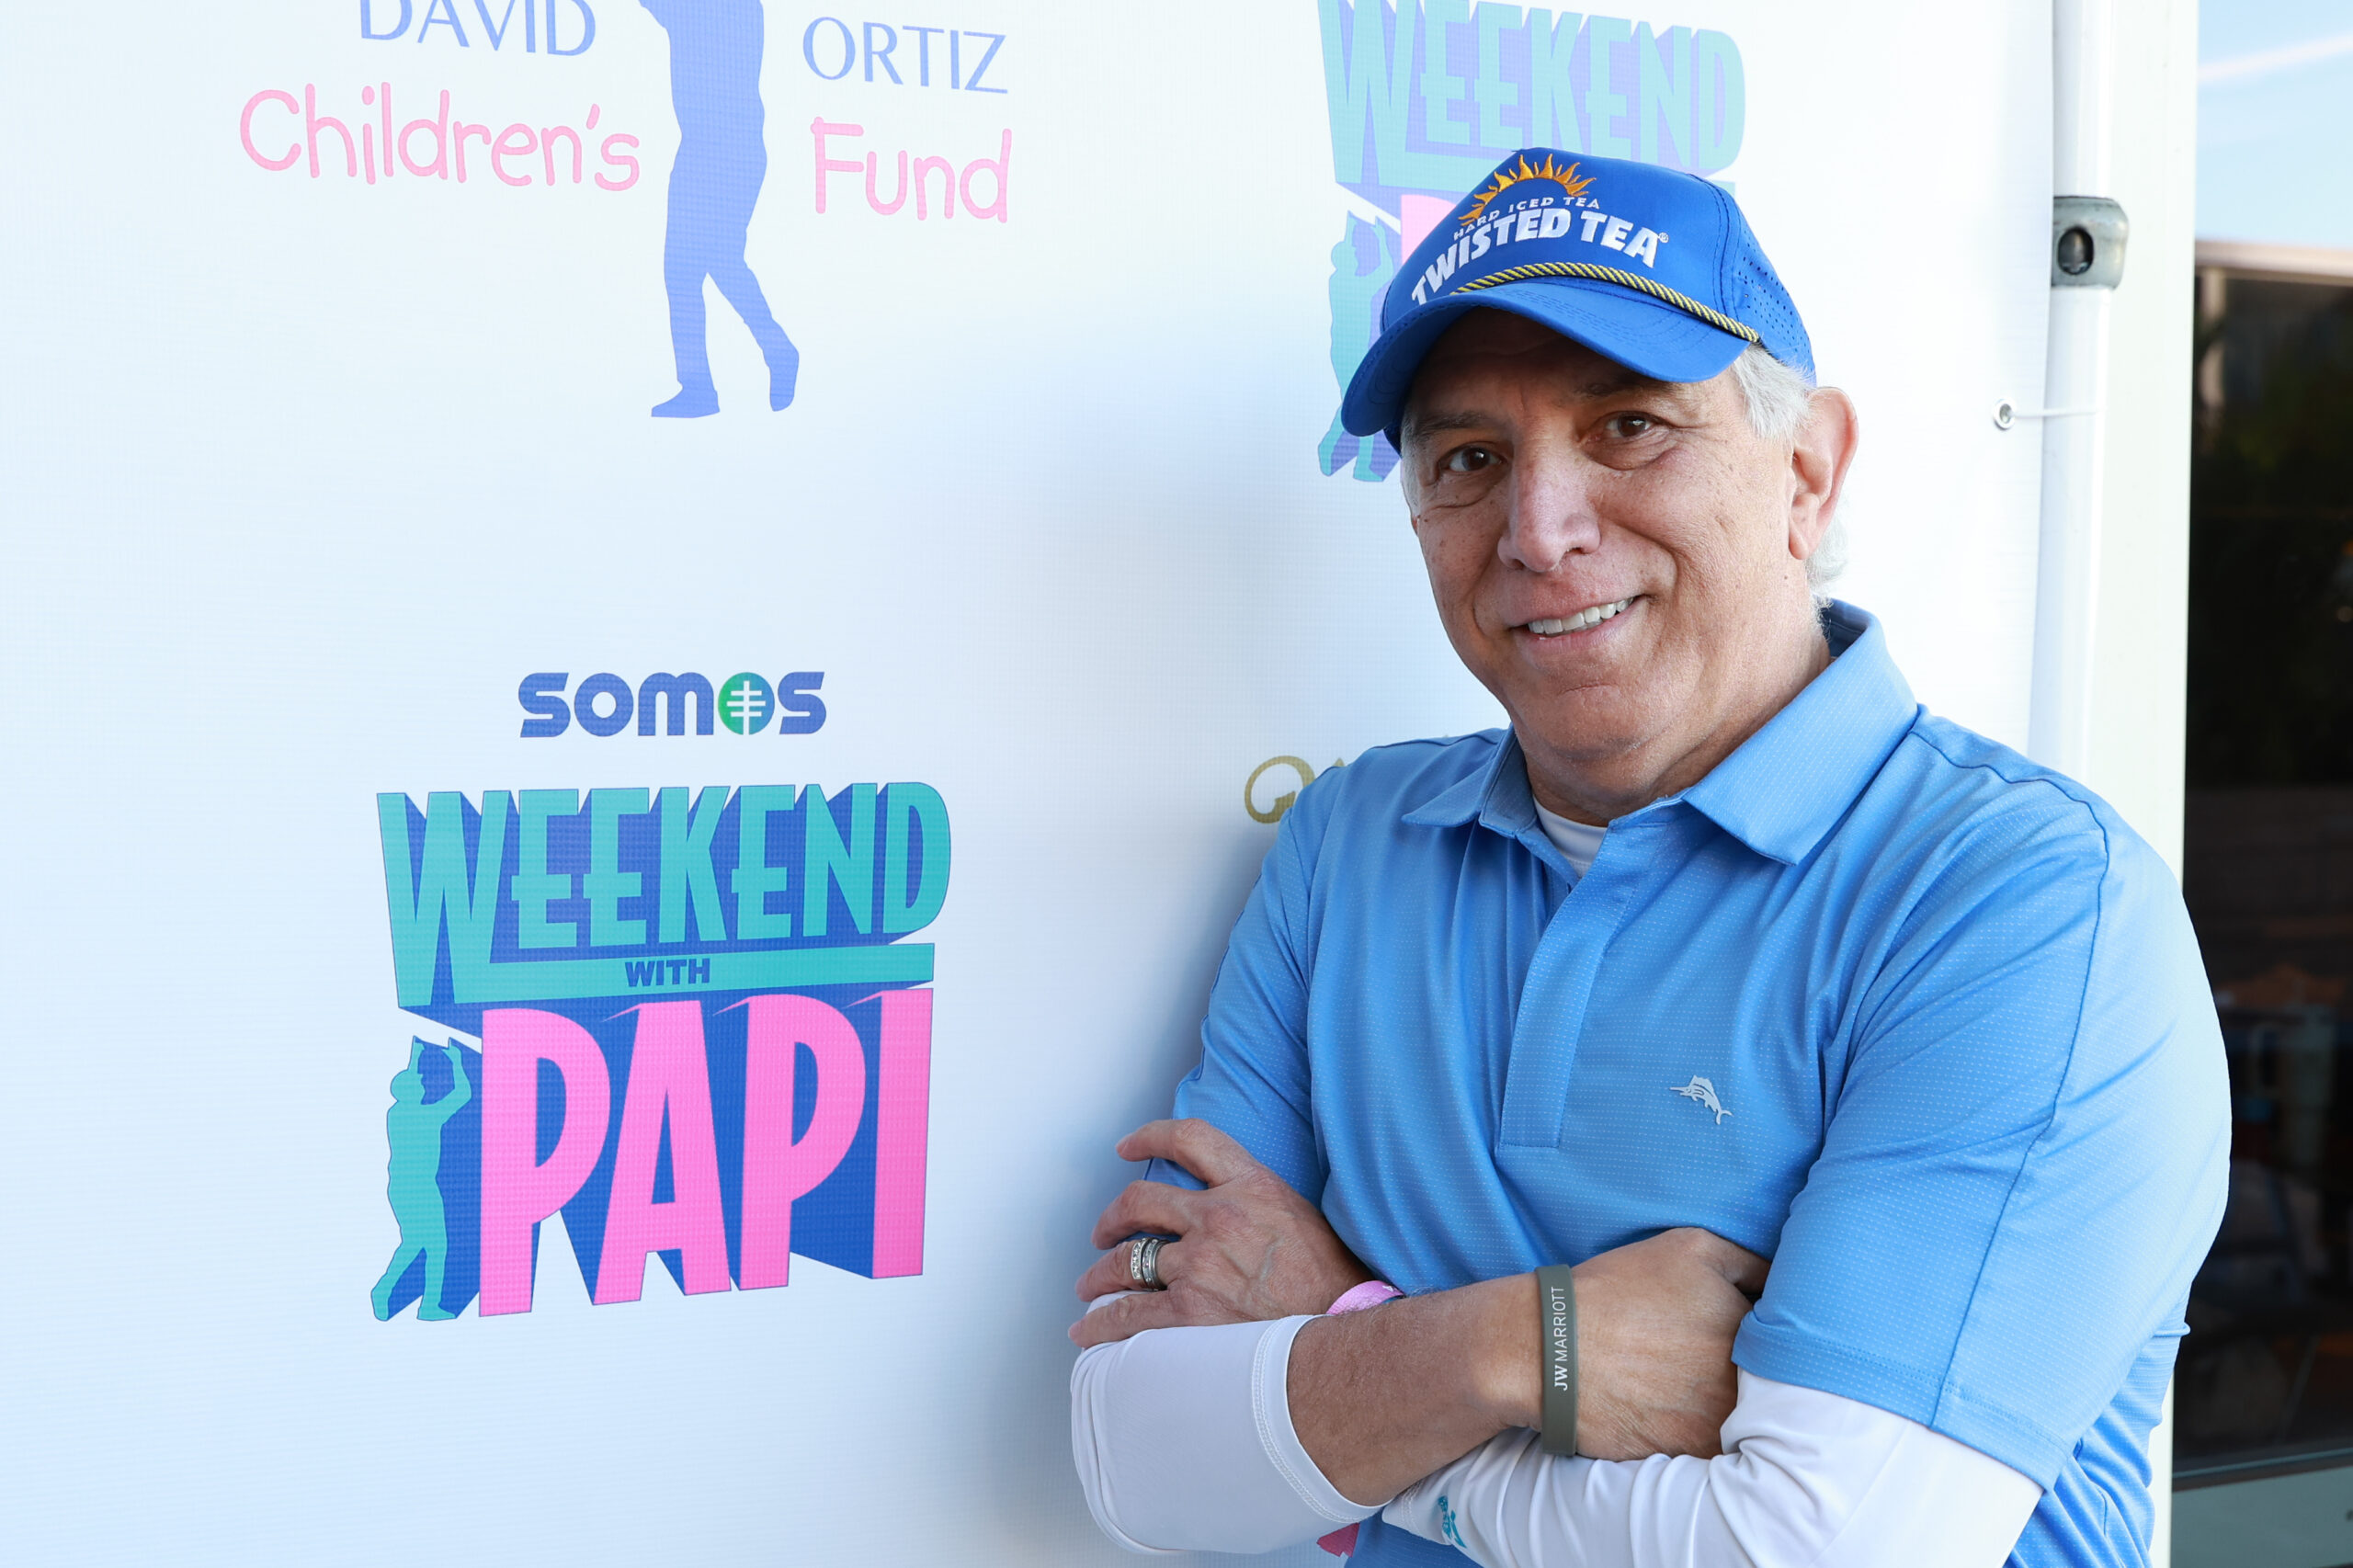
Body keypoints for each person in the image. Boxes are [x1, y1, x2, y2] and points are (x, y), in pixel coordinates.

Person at [1067, 150, 2229, 1568]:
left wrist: (1347, 1358)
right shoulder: (1348, 843)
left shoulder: (2021, 903)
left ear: (1807, 471)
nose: (1539, 530)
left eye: (1628, 425)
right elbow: (1136, 1453)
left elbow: (1817, 1550)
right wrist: (1514, 1344)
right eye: (1468, 458)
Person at [642, 0, 799, 418]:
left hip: (712, 151)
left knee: (687, 268)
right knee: (719, 260)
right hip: (732, 148)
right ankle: (772, 351)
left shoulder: (699, 9)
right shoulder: (742, 8)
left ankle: (706, 383)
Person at [370, 1038, 472, 1322]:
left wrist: (416, 1057)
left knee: (414, 1244)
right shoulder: (428, 1116)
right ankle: (429, 1306)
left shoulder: (396, 1113)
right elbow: (462, 1094)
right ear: (414, 1091)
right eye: (420, 1084)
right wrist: (457, 1063)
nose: (424, 1085)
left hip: (400, 1188)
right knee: (437, 1247)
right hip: (422, 1190)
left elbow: (408, 1082)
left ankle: (383, 1290)